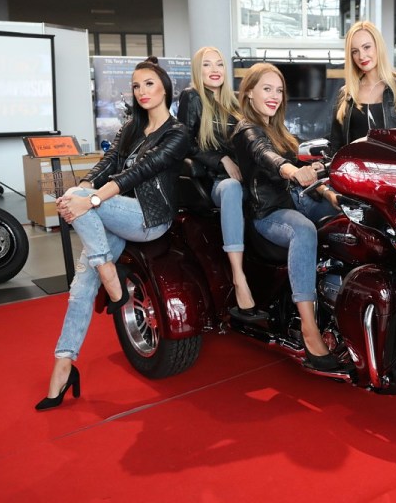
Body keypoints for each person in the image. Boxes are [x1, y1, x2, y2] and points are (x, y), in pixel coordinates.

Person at [36, 56, 190, 411]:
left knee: (77, 200)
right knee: (80, 288)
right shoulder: (132, 128)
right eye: (136, 86)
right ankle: (64, 365)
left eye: (149, 84)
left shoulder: (177, 133)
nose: (142, 91)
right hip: (114, 216)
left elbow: (139, 173)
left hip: (149, 218)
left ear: (165, 88)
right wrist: (85, 187)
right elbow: (108, 164)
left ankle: (108, 270)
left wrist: (87, 199)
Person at [232, 62, 341, 371]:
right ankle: (309, 328)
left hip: (296, 201)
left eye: (279, 90)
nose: (274, 96)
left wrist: (331, 194)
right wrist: (292, 171)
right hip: (268, 213)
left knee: (351, 219)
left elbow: (303, 172)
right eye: (267, 89)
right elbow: (265, 156)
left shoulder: (279, 130)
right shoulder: (247, 130)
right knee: (304, 230)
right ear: (249, 92)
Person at [175, 46, 261, 319]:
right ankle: (238, 277)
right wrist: (220, 159)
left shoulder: (232, 102)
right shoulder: (192, 97)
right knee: (231, 188)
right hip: (215, 181)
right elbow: (184, 143)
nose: (214, 70)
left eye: (219, 64)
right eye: (207, 65)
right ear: (197, 71)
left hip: (245, 177)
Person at [328, 20, 396, 154]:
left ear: (378, 46)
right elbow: (336, 147)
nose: (361, 56)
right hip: (356, 167)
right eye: (355, 51)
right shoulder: (346, 94)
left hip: (395, 166)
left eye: (366, 47)